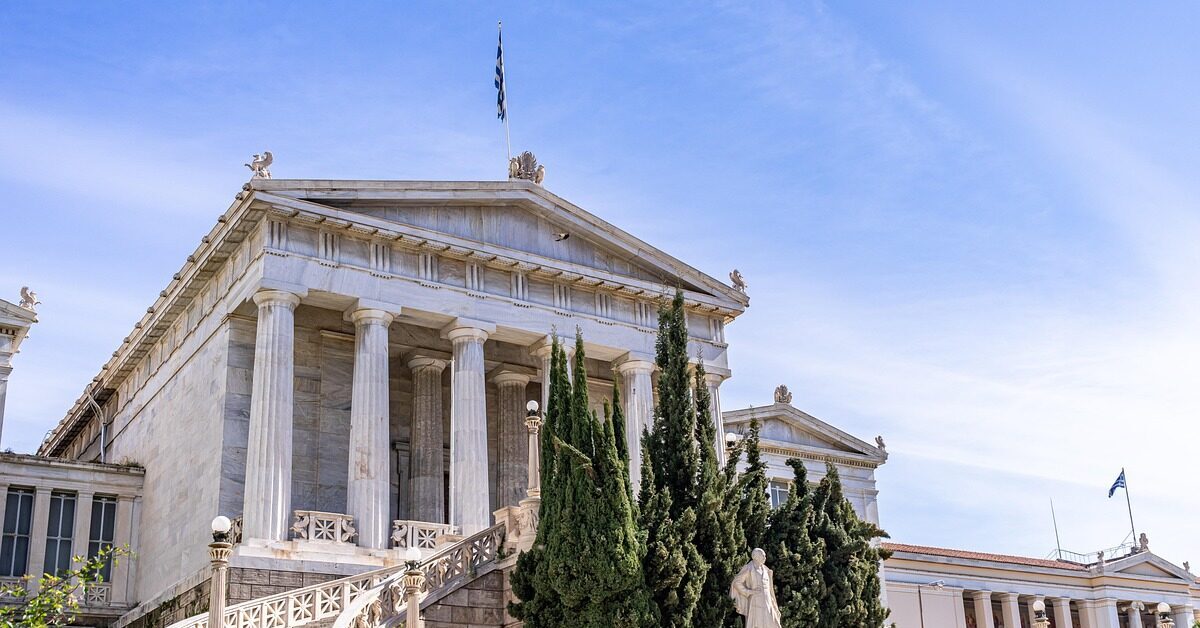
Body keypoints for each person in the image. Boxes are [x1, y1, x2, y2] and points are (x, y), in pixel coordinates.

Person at [730, 548, 783, 628]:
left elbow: (770, 590)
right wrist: (749, 592)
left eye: (765, 556)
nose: (765, 558)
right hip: (755, 602)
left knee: (774, 624)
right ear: (755, 556)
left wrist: (775, 606)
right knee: (757, 624)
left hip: (768, 603)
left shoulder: (766, 570)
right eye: (762, 556)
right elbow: (737, 582)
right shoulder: (749, 568)